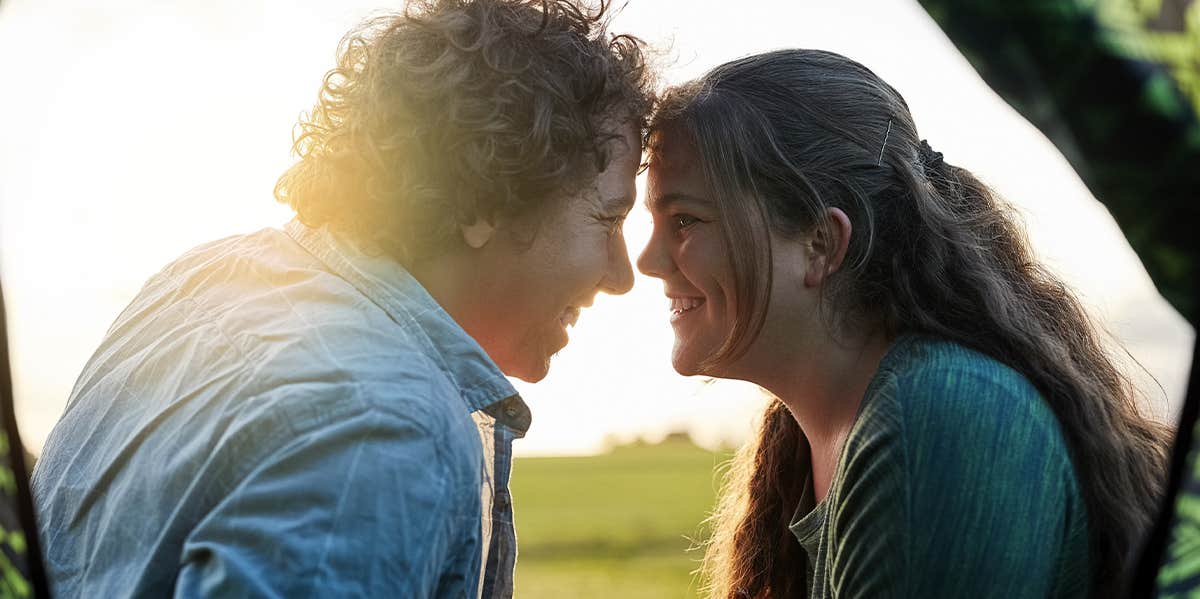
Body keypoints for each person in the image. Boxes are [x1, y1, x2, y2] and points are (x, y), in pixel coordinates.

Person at [31, 1, 653, 596]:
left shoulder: (201, 277)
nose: (622, 275)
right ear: (484, 204)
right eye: (607, 218)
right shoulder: (386, 426)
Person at [636, 49, 1169, 598]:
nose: (647, 260)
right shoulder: (819, 436)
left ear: (821, 242)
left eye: (684, 221)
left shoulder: (940, 416)